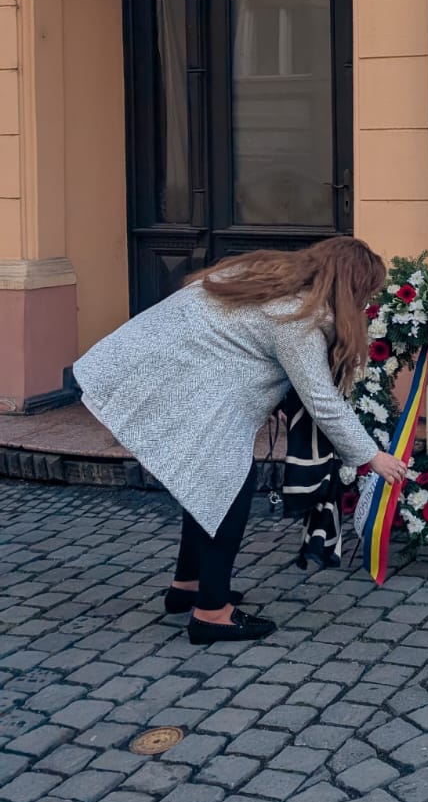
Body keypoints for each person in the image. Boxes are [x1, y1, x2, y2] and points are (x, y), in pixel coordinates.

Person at [74, 238, 406, 646]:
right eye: (365, 294)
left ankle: (188, 586)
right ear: (350, 287)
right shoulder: (297, 317)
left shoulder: (265, 277)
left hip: (158, 370)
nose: (365, 304)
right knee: (229, 490)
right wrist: (372, 457)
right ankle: (212, 613)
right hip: (180, 384)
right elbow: (322, 400)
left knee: (207, 487)